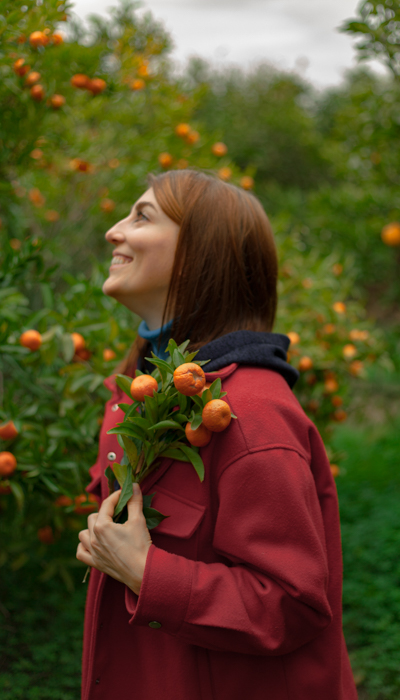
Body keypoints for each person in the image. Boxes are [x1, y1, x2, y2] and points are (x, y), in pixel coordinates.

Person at [76, 169, 358, 700]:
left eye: (142, 217)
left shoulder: (249, 414)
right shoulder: (134, 397)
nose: (114, 231)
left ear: (200, 252)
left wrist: (147, 573)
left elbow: (293, 603)